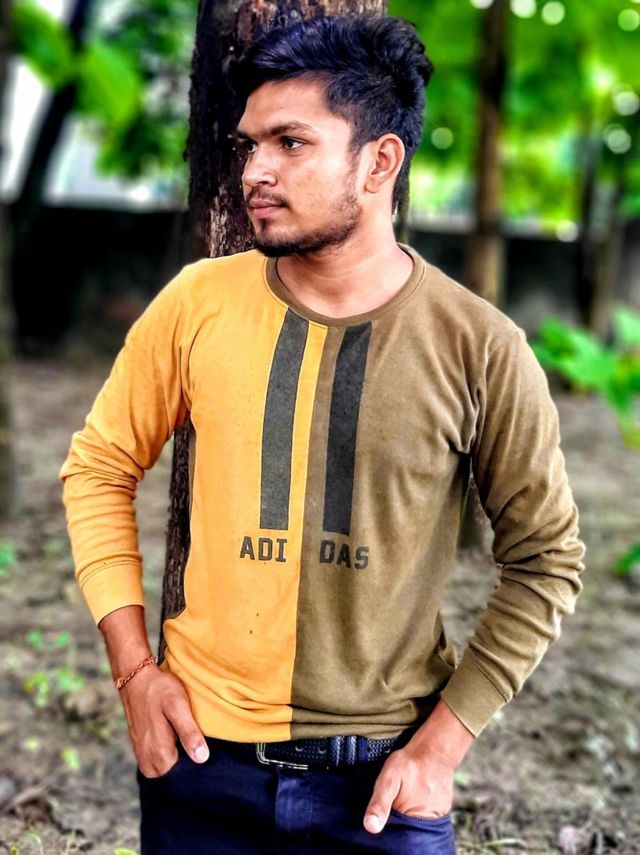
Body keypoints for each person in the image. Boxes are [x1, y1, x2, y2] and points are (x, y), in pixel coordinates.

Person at [58, 13, 586, 855]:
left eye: (291, 143)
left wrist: (444, 744)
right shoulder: (197, 303)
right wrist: (133, 674)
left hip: (381, 791)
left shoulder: (480, 346)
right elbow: (98, 466)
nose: (255, 170)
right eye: (249, 145)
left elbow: (546, 558)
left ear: (380, 161)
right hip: (199, 767)